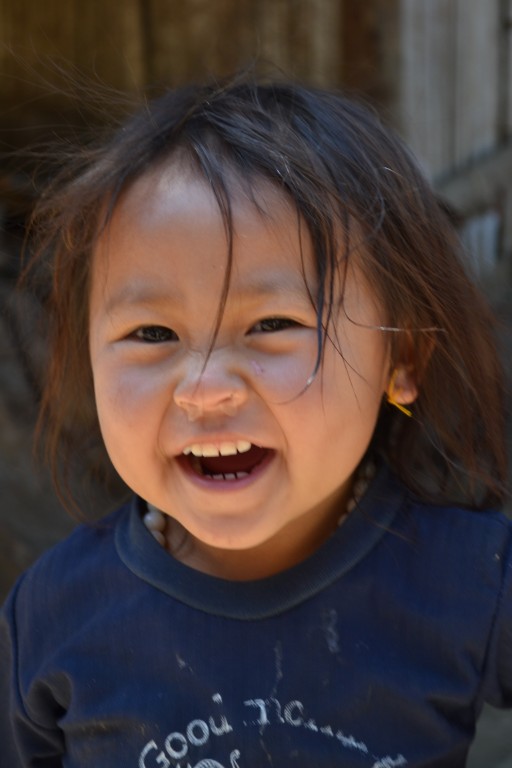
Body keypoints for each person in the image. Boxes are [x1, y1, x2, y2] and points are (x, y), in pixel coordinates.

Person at [1, 73, 511, 768]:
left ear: (402, 359)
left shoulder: (472, 582)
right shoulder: (54, 614)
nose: (204, 390)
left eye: (272, 324)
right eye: (152, 334)